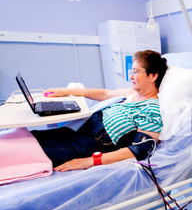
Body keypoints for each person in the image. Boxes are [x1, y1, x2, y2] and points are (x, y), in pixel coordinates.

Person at [31, 50, 167, 172]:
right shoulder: (132, 94)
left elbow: (140, 149)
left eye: (136, 72)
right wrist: (67, 91)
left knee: (28, 150)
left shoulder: (152, 109)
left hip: (85, 146)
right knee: (29, 136)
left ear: (153, 76)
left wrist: (90, 161)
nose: (131, 76)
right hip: (76, 133)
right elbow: (105, 94)